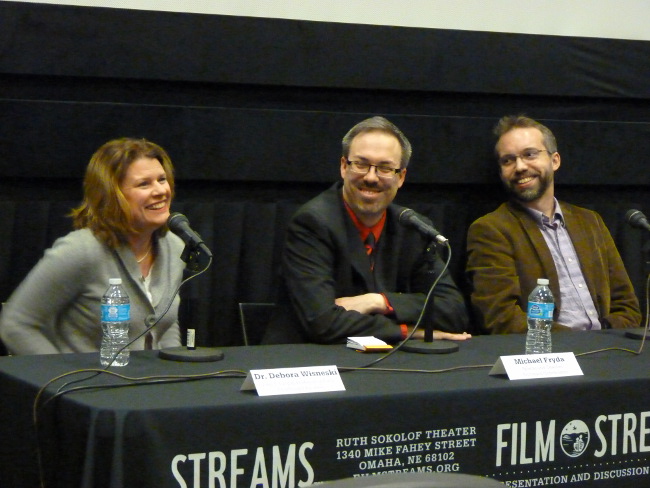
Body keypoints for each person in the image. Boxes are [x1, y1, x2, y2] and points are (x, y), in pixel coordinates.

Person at [263, 116, 471, 344]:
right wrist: (410, 331)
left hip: (388, 364)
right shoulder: (312, 223)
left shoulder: (413, 228)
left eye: (384, 168)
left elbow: (453, 311)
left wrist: (379, 301)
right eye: (361, 164)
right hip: (309, 364)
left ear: (400, 177)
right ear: (343, 167)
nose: (371, 177)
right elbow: (323, 323)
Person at [0, 138, 186, 354]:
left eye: (162, 179)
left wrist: (175, 371)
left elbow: (166, 324)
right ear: (113, 195)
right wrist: (58, 380)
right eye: (144, 184)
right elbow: (16, 325)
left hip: (147, 385)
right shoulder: (81, 250)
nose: (160, 191)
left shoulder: (174, 247)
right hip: (85, 385)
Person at [466, 115, 641, 334]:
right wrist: (577, 343)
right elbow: (500, 317)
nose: (520, 166)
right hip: (547, 358)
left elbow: (628, 307)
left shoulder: (590, 222)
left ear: (555, 160)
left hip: (608, 351)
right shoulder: (491, 230)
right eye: (508, 160)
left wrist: (605, 337)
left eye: (529, 154)